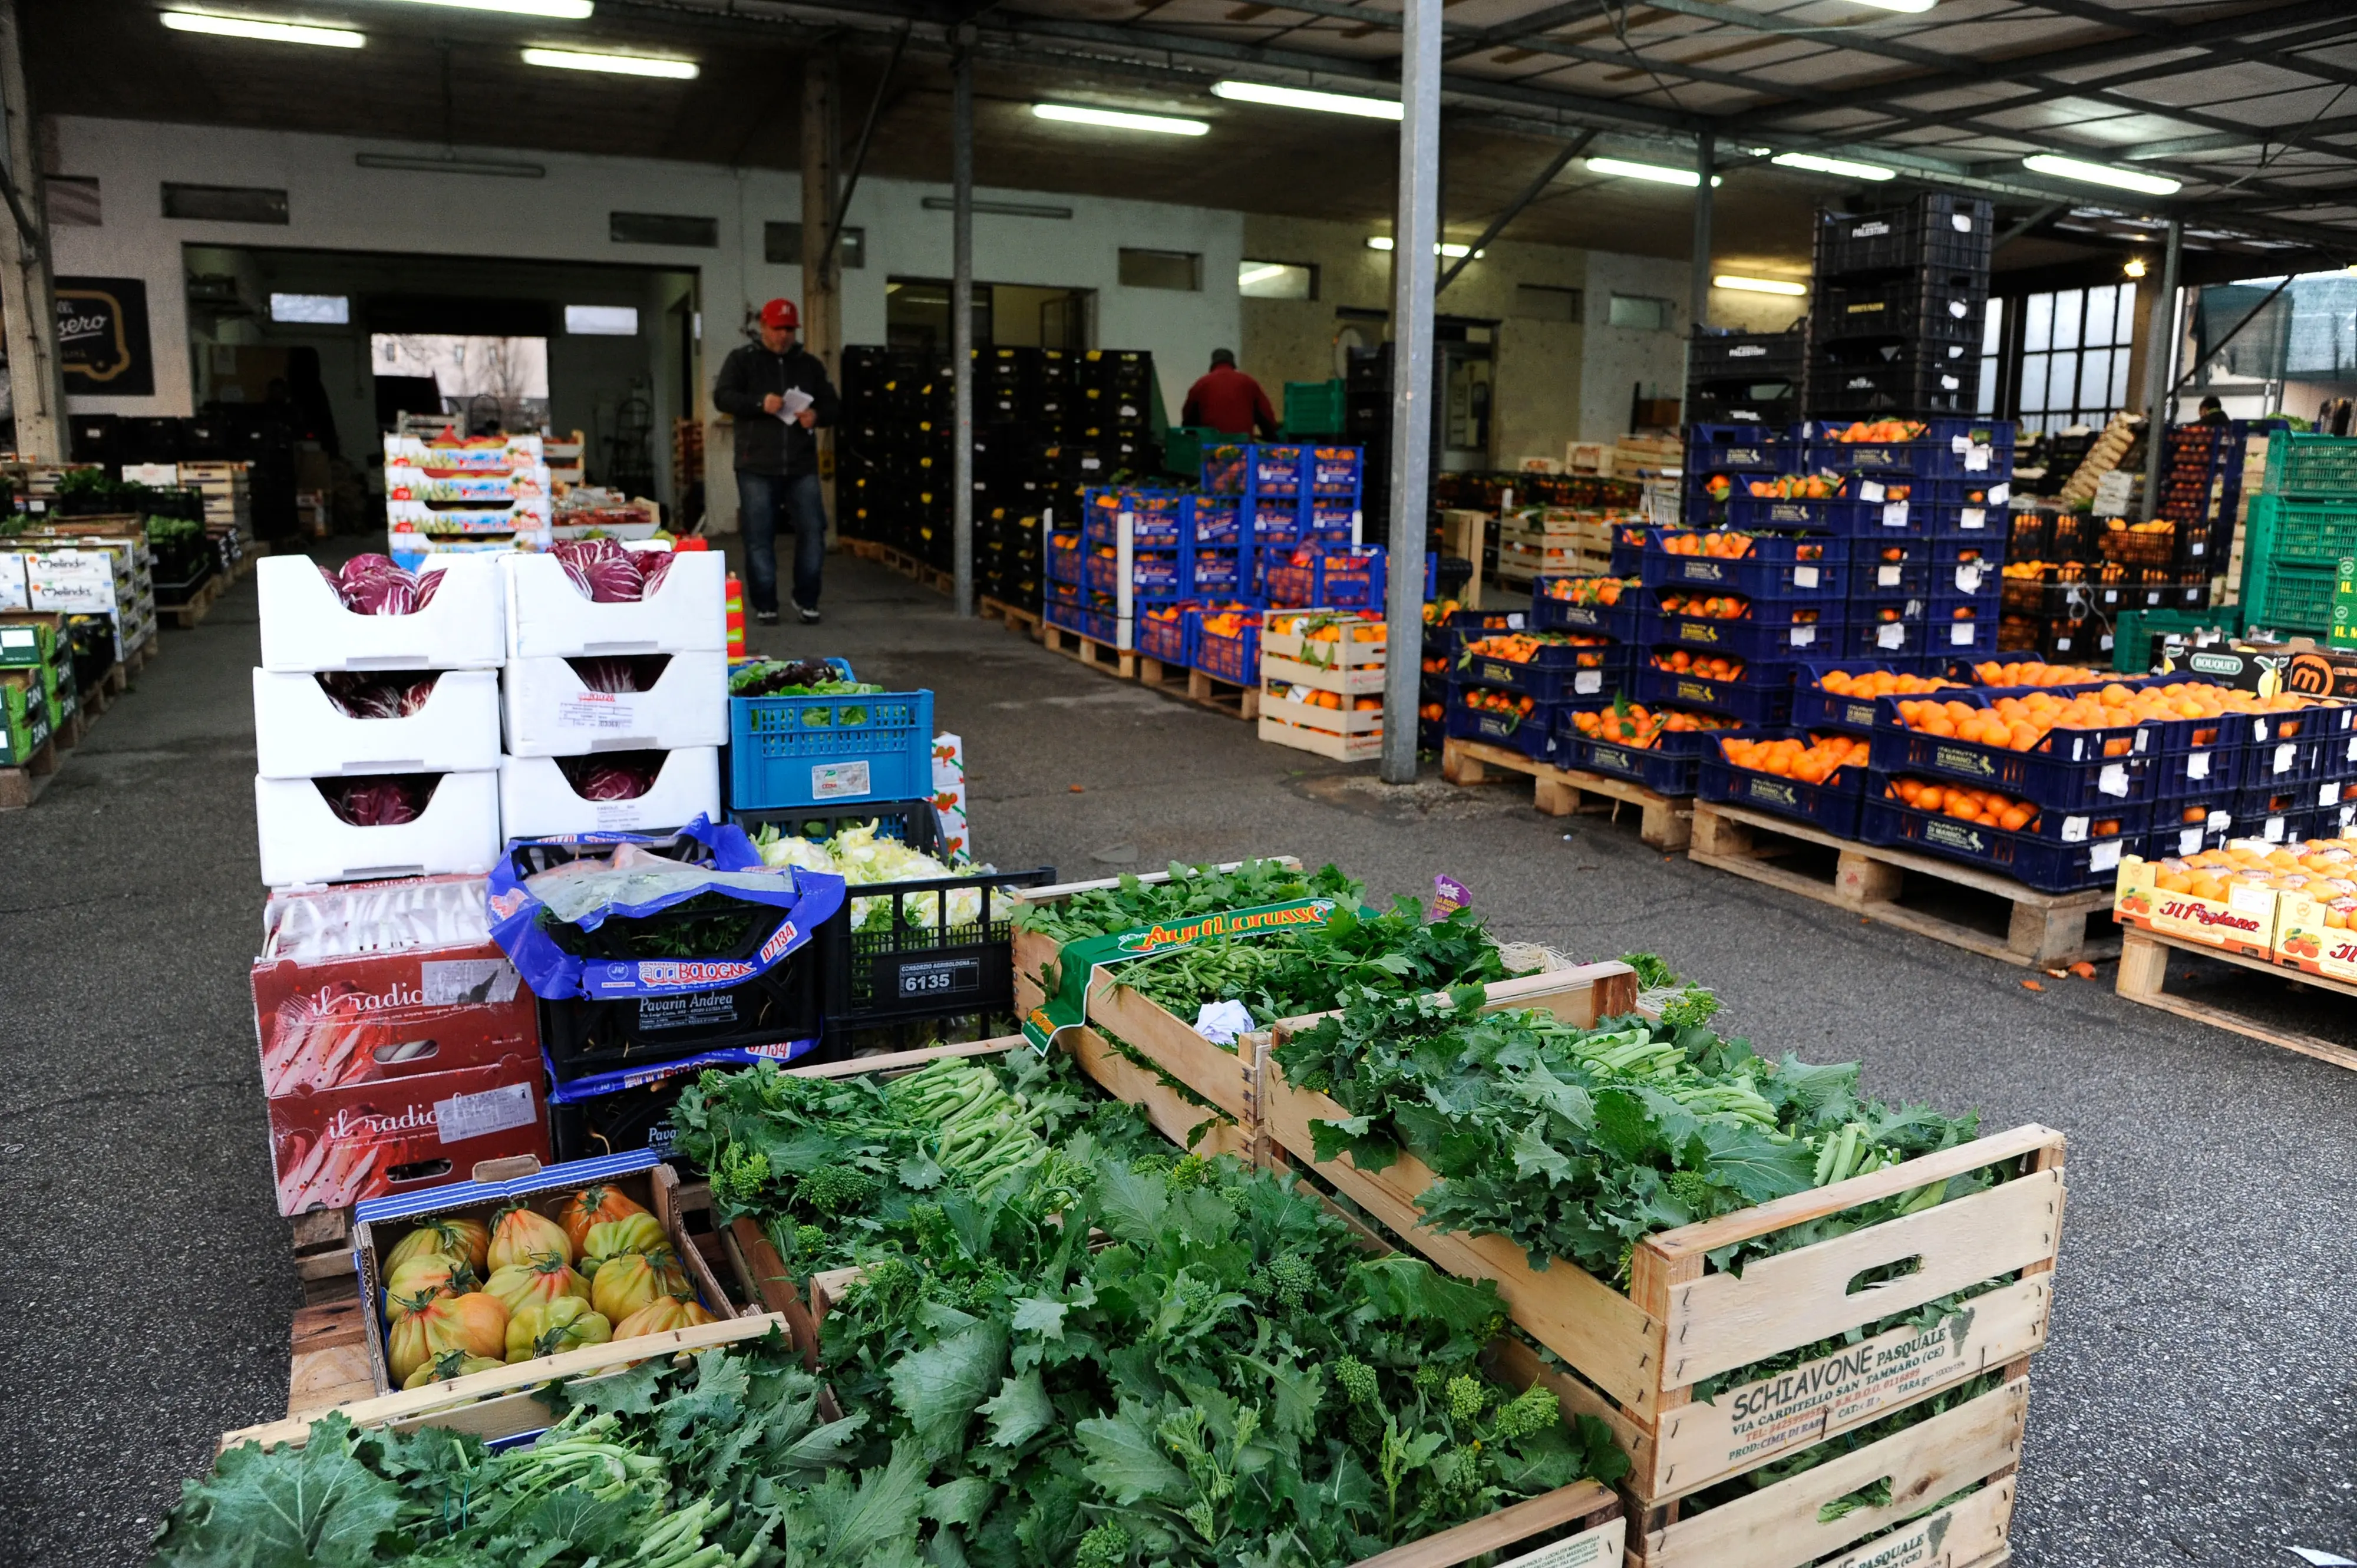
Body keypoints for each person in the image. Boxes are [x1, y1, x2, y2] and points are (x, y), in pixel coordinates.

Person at [713, 298, 839, 624]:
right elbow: (722, 396)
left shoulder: (809, 365)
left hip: (801, 466)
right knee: (759, 536)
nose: (783, 336)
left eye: (789, 330)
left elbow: (833, 405)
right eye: (777, 329)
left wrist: (817, 416)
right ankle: (766, 604)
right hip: (756, 465)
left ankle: (807, 599)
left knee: (813, 531)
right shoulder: (743, 360)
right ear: (763, 328)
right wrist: (759, 403)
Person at [1181, 348, 1279, 437]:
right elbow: (1266, 416)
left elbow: (1188, 419)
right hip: (1243, 447)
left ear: (1213, 365)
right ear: (1233, 364)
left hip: (1209, 447)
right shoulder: (1249, 382)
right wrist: (1272, 437)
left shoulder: (1201, 384)